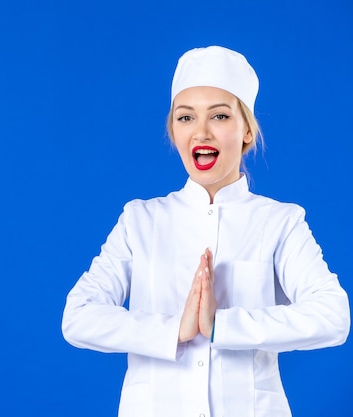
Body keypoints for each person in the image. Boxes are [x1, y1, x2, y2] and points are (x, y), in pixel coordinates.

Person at [61, 45, 350, 417]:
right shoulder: (140, 221)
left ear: (247, 131)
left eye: (219, 116)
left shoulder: (280, 222)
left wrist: (222, 326)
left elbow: (332, 316)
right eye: (185, 118)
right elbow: (78, 316)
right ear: (173, 133)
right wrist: (173, 331)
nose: (201, 132)